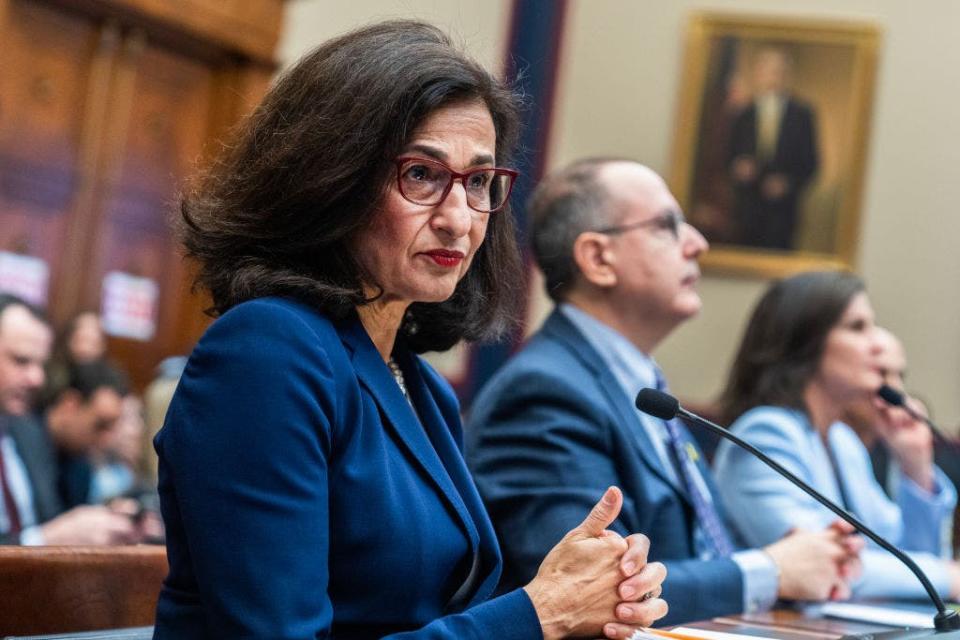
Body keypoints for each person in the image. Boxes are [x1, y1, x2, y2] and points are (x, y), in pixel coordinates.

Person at [153, 21, 666, 640]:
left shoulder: (417, 382)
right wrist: (542, 613)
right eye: (422, 175)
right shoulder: (266, 352)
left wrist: (591, 596)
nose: (458, 219)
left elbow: (439, 614)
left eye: (478, 182)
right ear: (329, 179)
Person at [467, 158, 860, 627]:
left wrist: (807, 553)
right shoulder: (544, 392)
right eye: (667, 226)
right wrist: (773, 571)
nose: (698, 243)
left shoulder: (643, 386)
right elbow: (599, 588)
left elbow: (699, 545)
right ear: (597, 258)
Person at [713, 271, 960, 600]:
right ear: (805, 341)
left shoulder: (842, 441)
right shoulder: (766, 432)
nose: (878, 344)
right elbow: (826, 568)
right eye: (858, 327)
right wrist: (949, 577)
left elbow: (908, 557)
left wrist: (915, 466)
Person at [0, 294, 137, 545]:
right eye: (21, 360)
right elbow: (47, 533)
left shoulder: (25, 434)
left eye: (41, 364)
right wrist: (45, 540)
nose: (37, 379)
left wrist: (99, 522)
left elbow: (50, 520)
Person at [727, 47, 818, 250]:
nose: (772, 76)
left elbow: (812, 164)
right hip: (747, 211)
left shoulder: (802, 115)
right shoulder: (742, 114)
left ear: (787, 75)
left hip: (782, 214)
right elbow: (727, 157)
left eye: (778, 70)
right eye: (767, 70)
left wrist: (788, 183)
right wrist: (739, 168)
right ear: (757, 73)